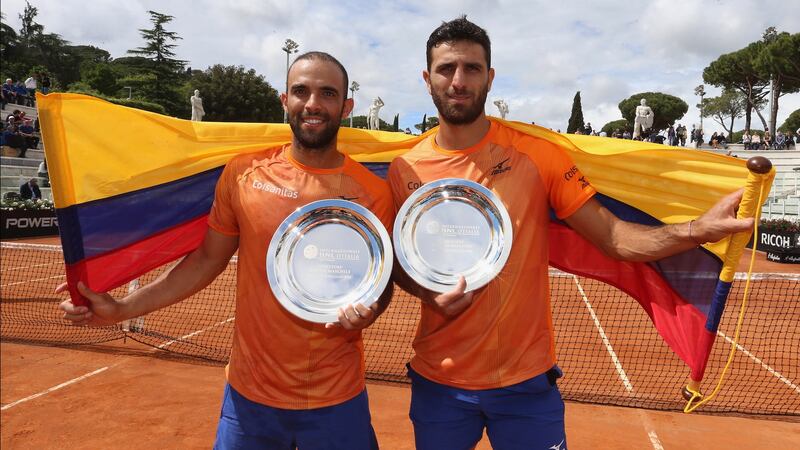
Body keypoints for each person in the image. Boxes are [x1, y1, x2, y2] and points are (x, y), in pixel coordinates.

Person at [387, 16, 753, 450]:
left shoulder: (537, 156)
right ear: (428, 79)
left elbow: (613, 237)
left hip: (525, 384)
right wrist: (427, 293)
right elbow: (399, 264)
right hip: (439, 381)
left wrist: (697, 230)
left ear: (490, 77)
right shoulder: (404, 169)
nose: (459, 80)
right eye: (447, 69)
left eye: (472, 68)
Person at [59, 51, 393, 450]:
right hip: (250, 398)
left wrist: (370, 311)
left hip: (337, 399)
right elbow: (205, 261)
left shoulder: (373, 193)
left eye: (327, 93)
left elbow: (379, 282)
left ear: (346, 106)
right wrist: (122, 308)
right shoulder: (244, 173)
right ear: (284, 101)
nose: (313, 104)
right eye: (301, 91)